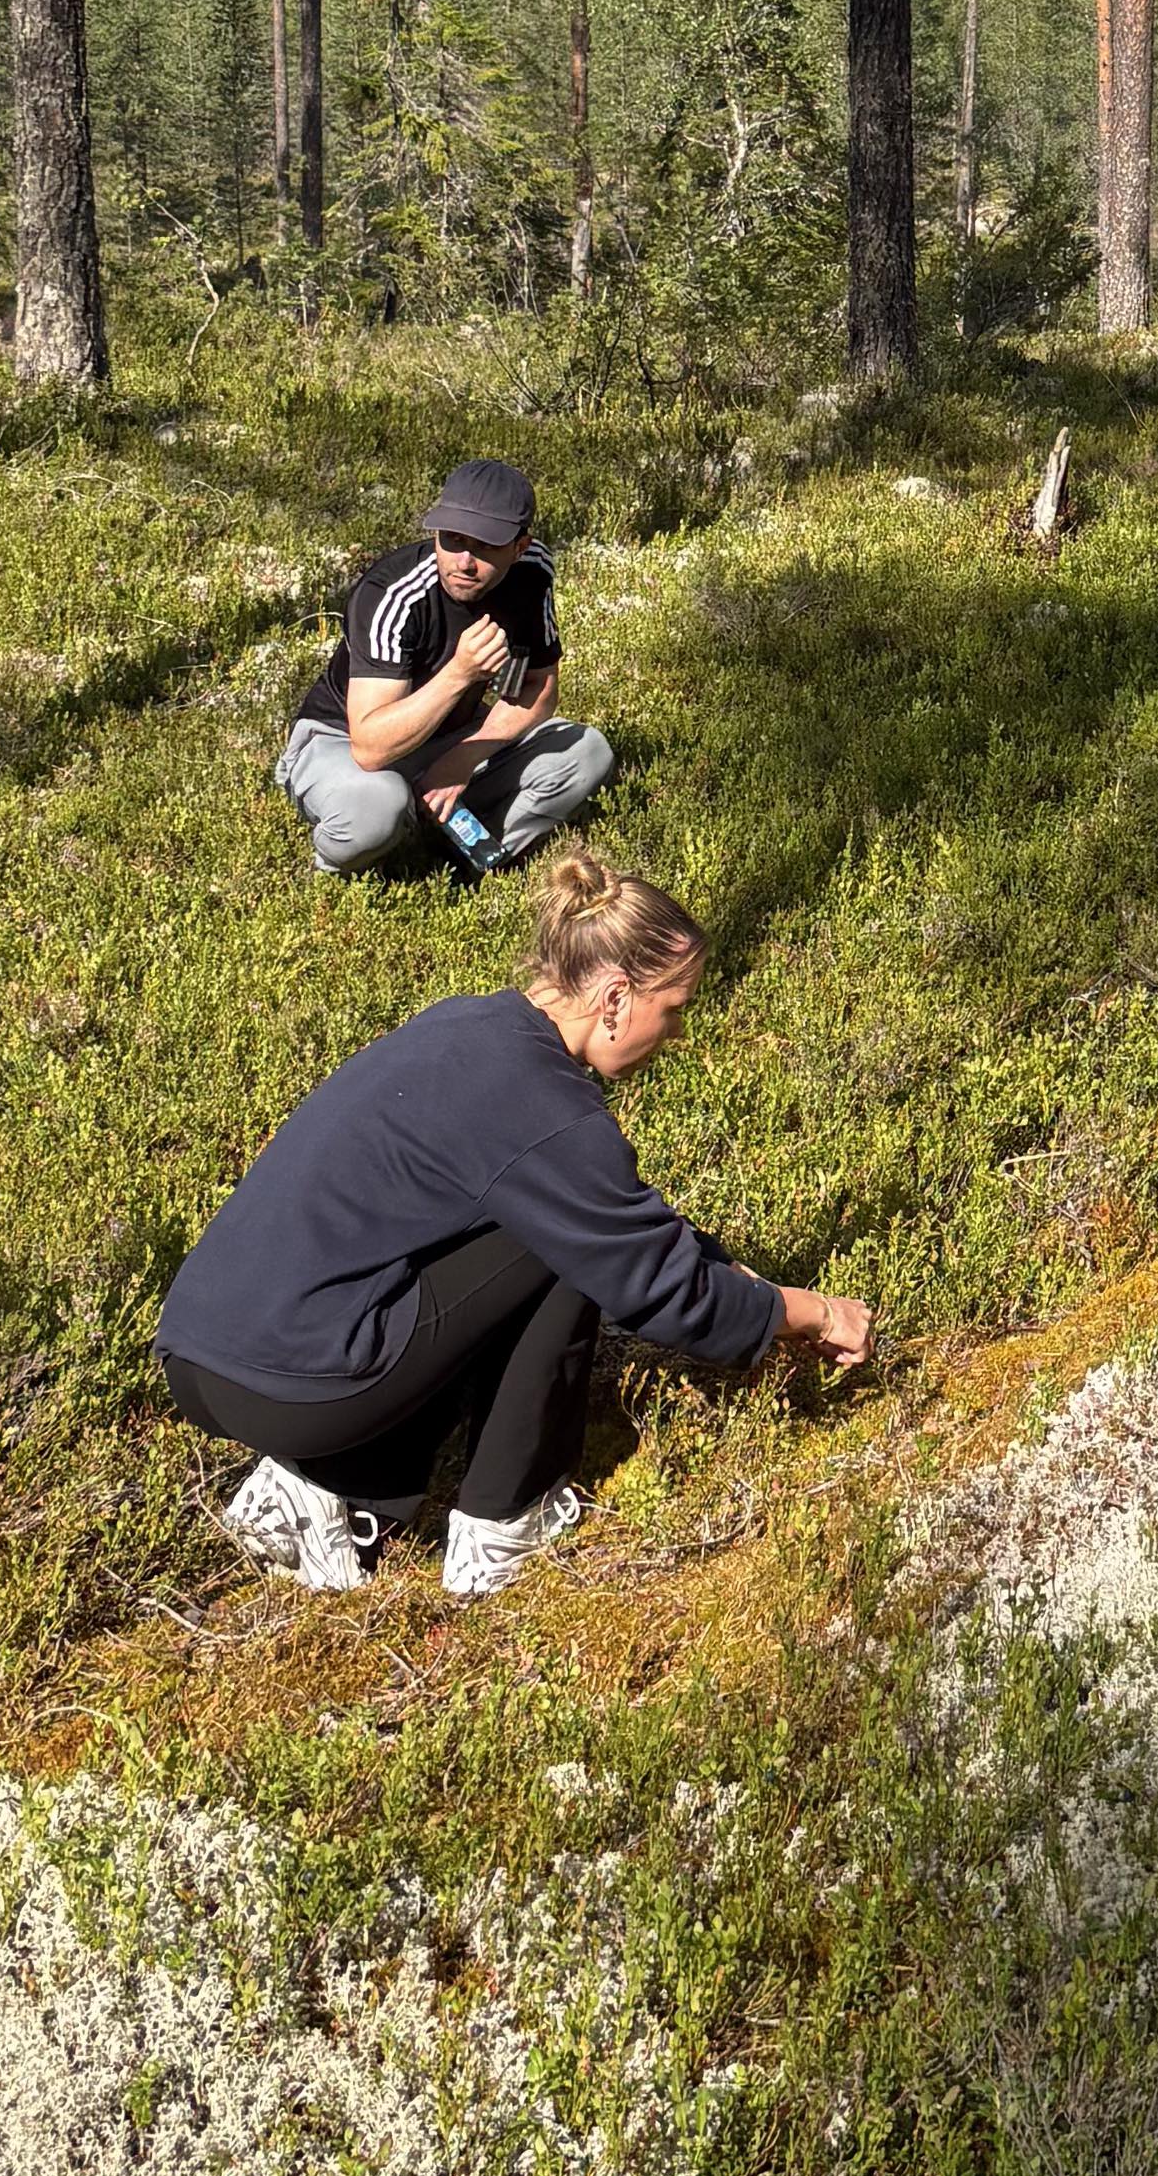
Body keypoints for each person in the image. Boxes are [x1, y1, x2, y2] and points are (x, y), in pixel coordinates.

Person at [157, 850, 876, 1600]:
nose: (677, 1036)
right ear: (617, 999)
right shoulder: (546, 1110)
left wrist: (726, 1269)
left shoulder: (467, 1028)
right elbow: (653, 1284)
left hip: (202, 1354)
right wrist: (806, 1313)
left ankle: (320, 1492)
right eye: (676, 1009)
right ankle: (506, 1522)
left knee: (527, 1233)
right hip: (293, 1385)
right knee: (556, 1247)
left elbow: (621, 1228)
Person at [277, 457, 613, 882]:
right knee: (375, 808)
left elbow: (536, 689)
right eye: (451, 539)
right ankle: (332, 872)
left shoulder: (532, 573)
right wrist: (460, 673)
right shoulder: (391, 593)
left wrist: (462, 758)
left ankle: (473, 860)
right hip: (341, 741)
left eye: (486, 545)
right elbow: (370, 746)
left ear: (520, 546)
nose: (464, 561)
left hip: (448, 738)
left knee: (587, 751)